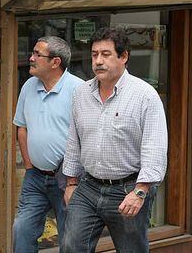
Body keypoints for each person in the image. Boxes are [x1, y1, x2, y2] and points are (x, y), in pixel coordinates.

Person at [62, 27, 168, 252]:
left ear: (124, 56)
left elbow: (155, 147)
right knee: (71, 246)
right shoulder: (81, 93)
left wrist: (140, 192)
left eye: (106, 54)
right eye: (94, 54)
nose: (98, 61)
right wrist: (71, 182)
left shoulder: (145, 96)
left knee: (131, 249)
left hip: (127, 189)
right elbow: (74, 140)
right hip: (88, 187)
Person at [12, 36, 83, 253]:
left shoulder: (79, 90)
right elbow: (21, 127)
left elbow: (87, 135)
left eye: (37, 54)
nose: (31, 58)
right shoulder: (28, 86)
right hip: (35, 176)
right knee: (21, 229)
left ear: (56, 62)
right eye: (32, 53)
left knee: (69, 237)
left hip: (68, 177)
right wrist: (29, 165)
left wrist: (72, 179)